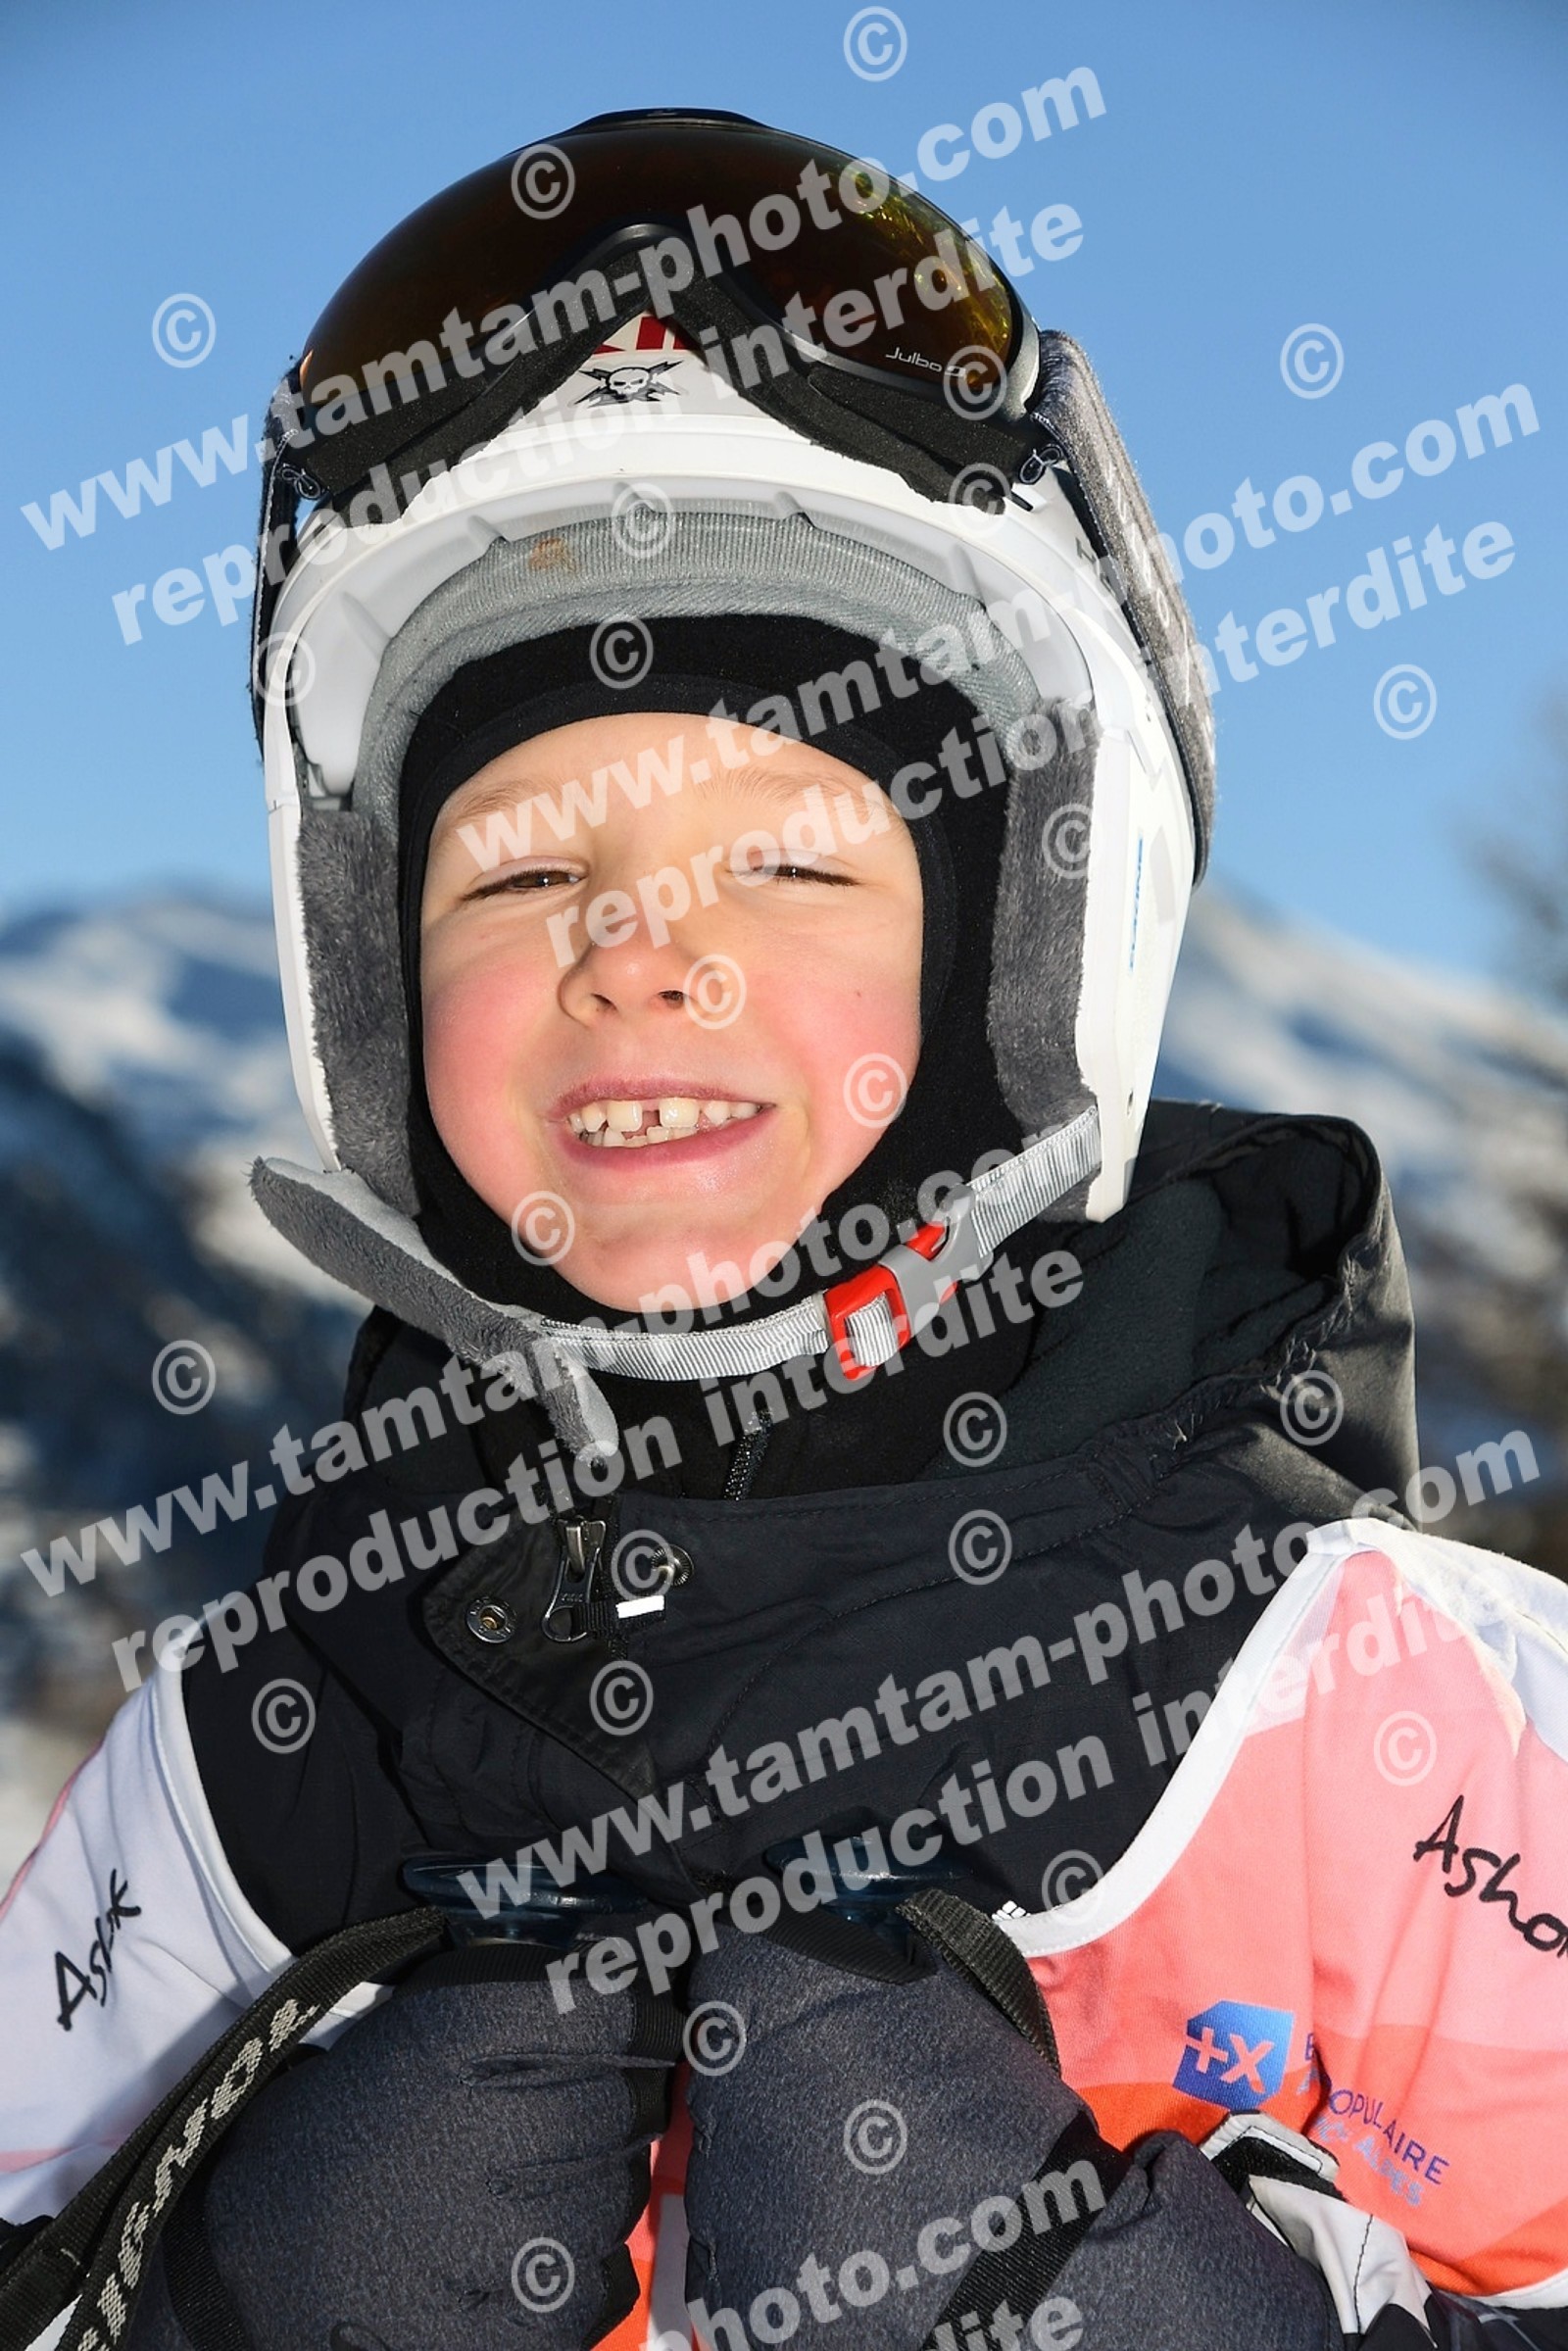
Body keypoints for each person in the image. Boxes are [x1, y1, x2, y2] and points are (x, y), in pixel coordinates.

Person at [2, 107, 1566, 2351]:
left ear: (1018, 951)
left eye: (791, 865)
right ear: (367, 976)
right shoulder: (261, 1742)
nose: (640, 957)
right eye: (524, 872)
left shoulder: (1386, 1717)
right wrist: (200, 2308)